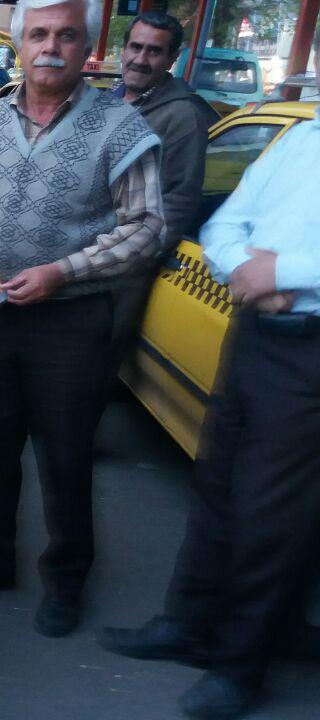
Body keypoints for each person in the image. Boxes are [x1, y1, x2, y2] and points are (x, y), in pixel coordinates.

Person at [97, 37, 320, 720]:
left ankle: (240, 666)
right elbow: (226, 222)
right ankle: (187, 625)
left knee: (271, 515)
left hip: (311, 351)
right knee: (217, 484)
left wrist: (284, 272)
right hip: (255, 335)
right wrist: (245, 270)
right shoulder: (302, 139)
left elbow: (278, 260)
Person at [0, 0, 164, 637]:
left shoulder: (120, 127)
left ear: (87, 48)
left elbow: (147, 227)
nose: (50, 47)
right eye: (38, 34)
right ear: (21, 45)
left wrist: (64, 271)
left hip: (71, 320)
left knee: (65, 455)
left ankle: (65, 580)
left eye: (65, 35)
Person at [105, 11, 219, 377]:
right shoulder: (109, 99)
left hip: (121, 267)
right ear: (123, 49)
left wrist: (133, 256)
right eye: (135, 47)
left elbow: (179, 199)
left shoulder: (183, 115)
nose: (140, 59)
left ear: (171, 59)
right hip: (75, 255)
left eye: (154, 51)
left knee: (91, 368)